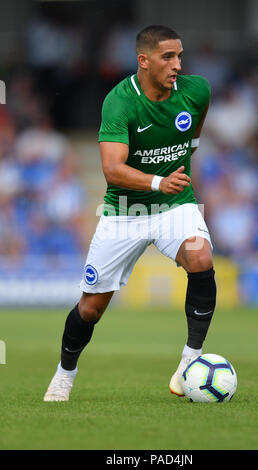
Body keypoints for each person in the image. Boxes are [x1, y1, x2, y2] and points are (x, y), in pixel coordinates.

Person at [44, 25, 216, 402]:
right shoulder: (119, 101)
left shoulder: (196, 90)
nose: (177, 65)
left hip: (176, 204)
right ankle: (63, 375)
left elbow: (197, 121)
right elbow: (112, 169)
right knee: (90, 308)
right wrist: (158, 182)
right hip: (125, 211)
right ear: (144, 60)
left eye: (180, 56)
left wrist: (191, 149)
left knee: (200, 255)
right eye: (168, 57)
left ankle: (190, 360)